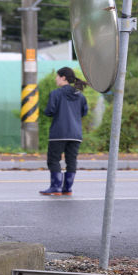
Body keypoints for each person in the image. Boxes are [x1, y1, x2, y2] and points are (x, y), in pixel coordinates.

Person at [39, 67, 89, 196]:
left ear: (63, 78)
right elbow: (84, 112)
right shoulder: (80, 95)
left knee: (54, 160)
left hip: (59, 133)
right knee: (71, 161)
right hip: (76, 134)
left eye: (57, 76)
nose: (56, 79)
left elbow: (49, 111)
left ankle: (56, 187)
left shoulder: (56, 93)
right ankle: (67, 189)